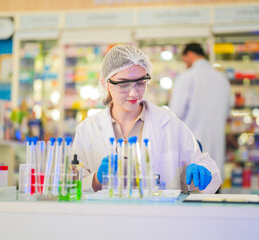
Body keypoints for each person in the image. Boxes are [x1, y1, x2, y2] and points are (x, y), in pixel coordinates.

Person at [71, 44, 221, 194]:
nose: (133, 93)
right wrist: (96, 179)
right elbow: (72, 186)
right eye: (123, 84)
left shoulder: (169, 124)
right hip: (106, 216)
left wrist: (203, 171)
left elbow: (207, 168)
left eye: (140, 82)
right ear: (106, 83)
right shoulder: (87, 130)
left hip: (158, 215)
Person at [169, 43, 231, 179]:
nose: (184, 63)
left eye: (184, 58)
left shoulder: (186, 77)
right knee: (213, 189)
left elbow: (175, 114)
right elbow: (228, 110)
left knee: (193, 190)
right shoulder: (222, 79)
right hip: (216, 148)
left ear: (190, 54)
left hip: (193, 150)